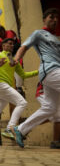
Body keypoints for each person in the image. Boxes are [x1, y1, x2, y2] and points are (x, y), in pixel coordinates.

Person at [12, 8, 60, 148]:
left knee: (51, 108)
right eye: (51, 17)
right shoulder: (38, 33)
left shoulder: (56, 39)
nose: (55, 20)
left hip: (54, 72)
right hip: (50, 71)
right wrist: (16, 59)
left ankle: (20, 129)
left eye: (57, 18)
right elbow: (24, 47)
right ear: (44, 19)